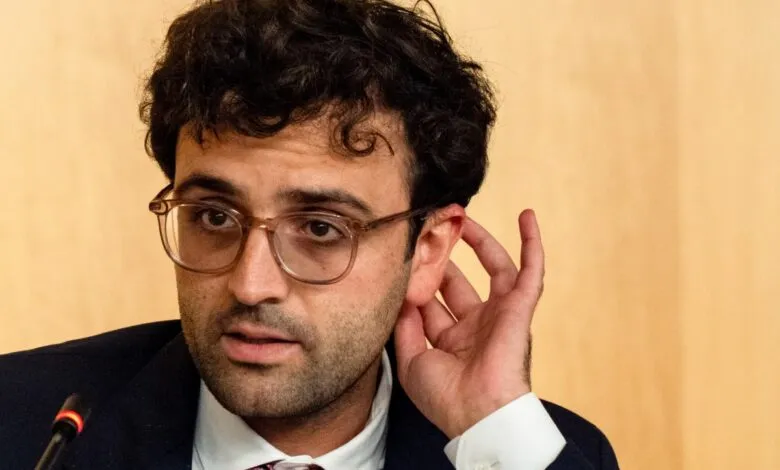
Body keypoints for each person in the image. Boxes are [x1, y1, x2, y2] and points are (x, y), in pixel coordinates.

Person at [0, 0, 619, 469]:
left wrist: (493, 432)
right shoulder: (25, 425)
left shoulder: (518, 454)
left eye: (321, 228)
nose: (251, 285)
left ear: (427, 251)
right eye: (214, 217)